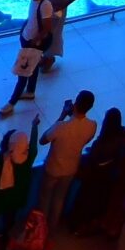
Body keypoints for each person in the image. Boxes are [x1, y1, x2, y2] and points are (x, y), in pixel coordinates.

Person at [39, 91, 97, 223]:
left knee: (45, 199)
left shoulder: (61, 127)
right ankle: (52, 230)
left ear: (75, 103)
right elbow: (85, 139)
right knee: (60, 199)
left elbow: (43, 140)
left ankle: (40, 229)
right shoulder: (92, 125)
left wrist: (63, 115)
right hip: (71, 169)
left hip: (53, 168)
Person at [1, 0, 53, 113]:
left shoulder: (45, 4)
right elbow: (32, 19)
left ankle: (11, 103)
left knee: (22, 71)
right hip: (27, 39)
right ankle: (30, 91)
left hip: (33, 43)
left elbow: (47, 27)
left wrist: (35, 41)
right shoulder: (34, 0)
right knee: (33, 66)